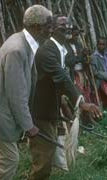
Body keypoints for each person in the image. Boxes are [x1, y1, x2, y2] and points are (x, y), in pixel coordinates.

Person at [30, 15, 102, 180]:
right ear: (52, 29)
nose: (68, 27)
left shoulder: (63, 50)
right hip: (40, 110)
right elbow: (61, 76)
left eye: (69, 24)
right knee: (43, 158)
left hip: (53, 107)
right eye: (62, 25)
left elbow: (65, 78)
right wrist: (82, 102)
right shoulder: (47, 51)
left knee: (49, 153)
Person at [0, 5, 52, 180]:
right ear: (38, 27)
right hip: (3, 118)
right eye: (49, 26)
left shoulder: (24, 44)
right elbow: (17, 95)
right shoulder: (17, 50)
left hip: (6, 116)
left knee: (6, 160)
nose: (51, 30)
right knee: (8, 160)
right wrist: (28, 126)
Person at [91, 37, 107, 106]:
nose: (101, 46)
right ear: (97, 45)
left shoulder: (106, 54)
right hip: (101, 79)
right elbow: (95, 72)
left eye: (103, 44)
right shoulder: (94, 56)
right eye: (100, 44)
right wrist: (105, 75)